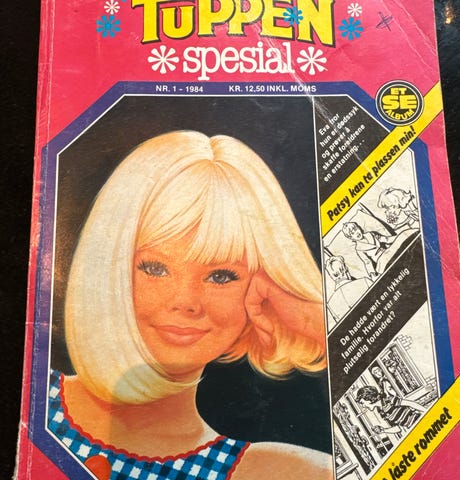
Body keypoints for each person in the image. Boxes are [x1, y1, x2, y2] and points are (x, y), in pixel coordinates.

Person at [49, 131, 332, 479]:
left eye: (221, 276)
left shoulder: (270, 471)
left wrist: (316, 321)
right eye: (155, 268)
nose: (186, 302)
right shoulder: (31, 398)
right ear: (109, 269)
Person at [355, 385, 425, 436]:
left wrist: (426, 411)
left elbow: (411, 403)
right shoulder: (381, 412)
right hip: (413, 428)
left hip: (420, 420)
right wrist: (383, 430)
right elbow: (398, 428)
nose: (363, 406)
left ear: (369, 398)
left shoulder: (388, 400)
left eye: (362, 403)